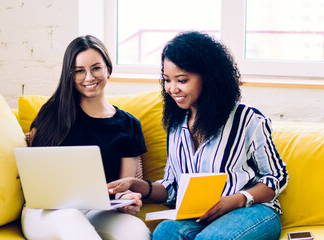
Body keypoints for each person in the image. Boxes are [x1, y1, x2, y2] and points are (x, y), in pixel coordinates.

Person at [108, 31, 289, 240]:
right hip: (200, 214)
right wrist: (134, 184)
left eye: (182, 80)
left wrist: (238, 198)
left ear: (208, 77)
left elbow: (277, 176)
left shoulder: (246, 119)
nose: (172, 88)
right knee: (164, 233)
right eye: (167, 80)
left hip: (252, 210)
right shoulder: (176, 126)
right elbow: (173, 188)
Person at [22, 35, 151, 240]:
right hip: (45, 212)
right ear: (69, 75)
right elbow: (34, 172)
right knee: (72, 218)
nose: (89, 77)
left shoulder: (129, 124)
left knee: (137, 231)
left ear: (108, 68)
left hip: (97, 211)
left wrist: (127, 199)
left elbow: (123, 185)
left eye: (96, 68)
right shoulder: (52, 113)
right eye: (79, 71)